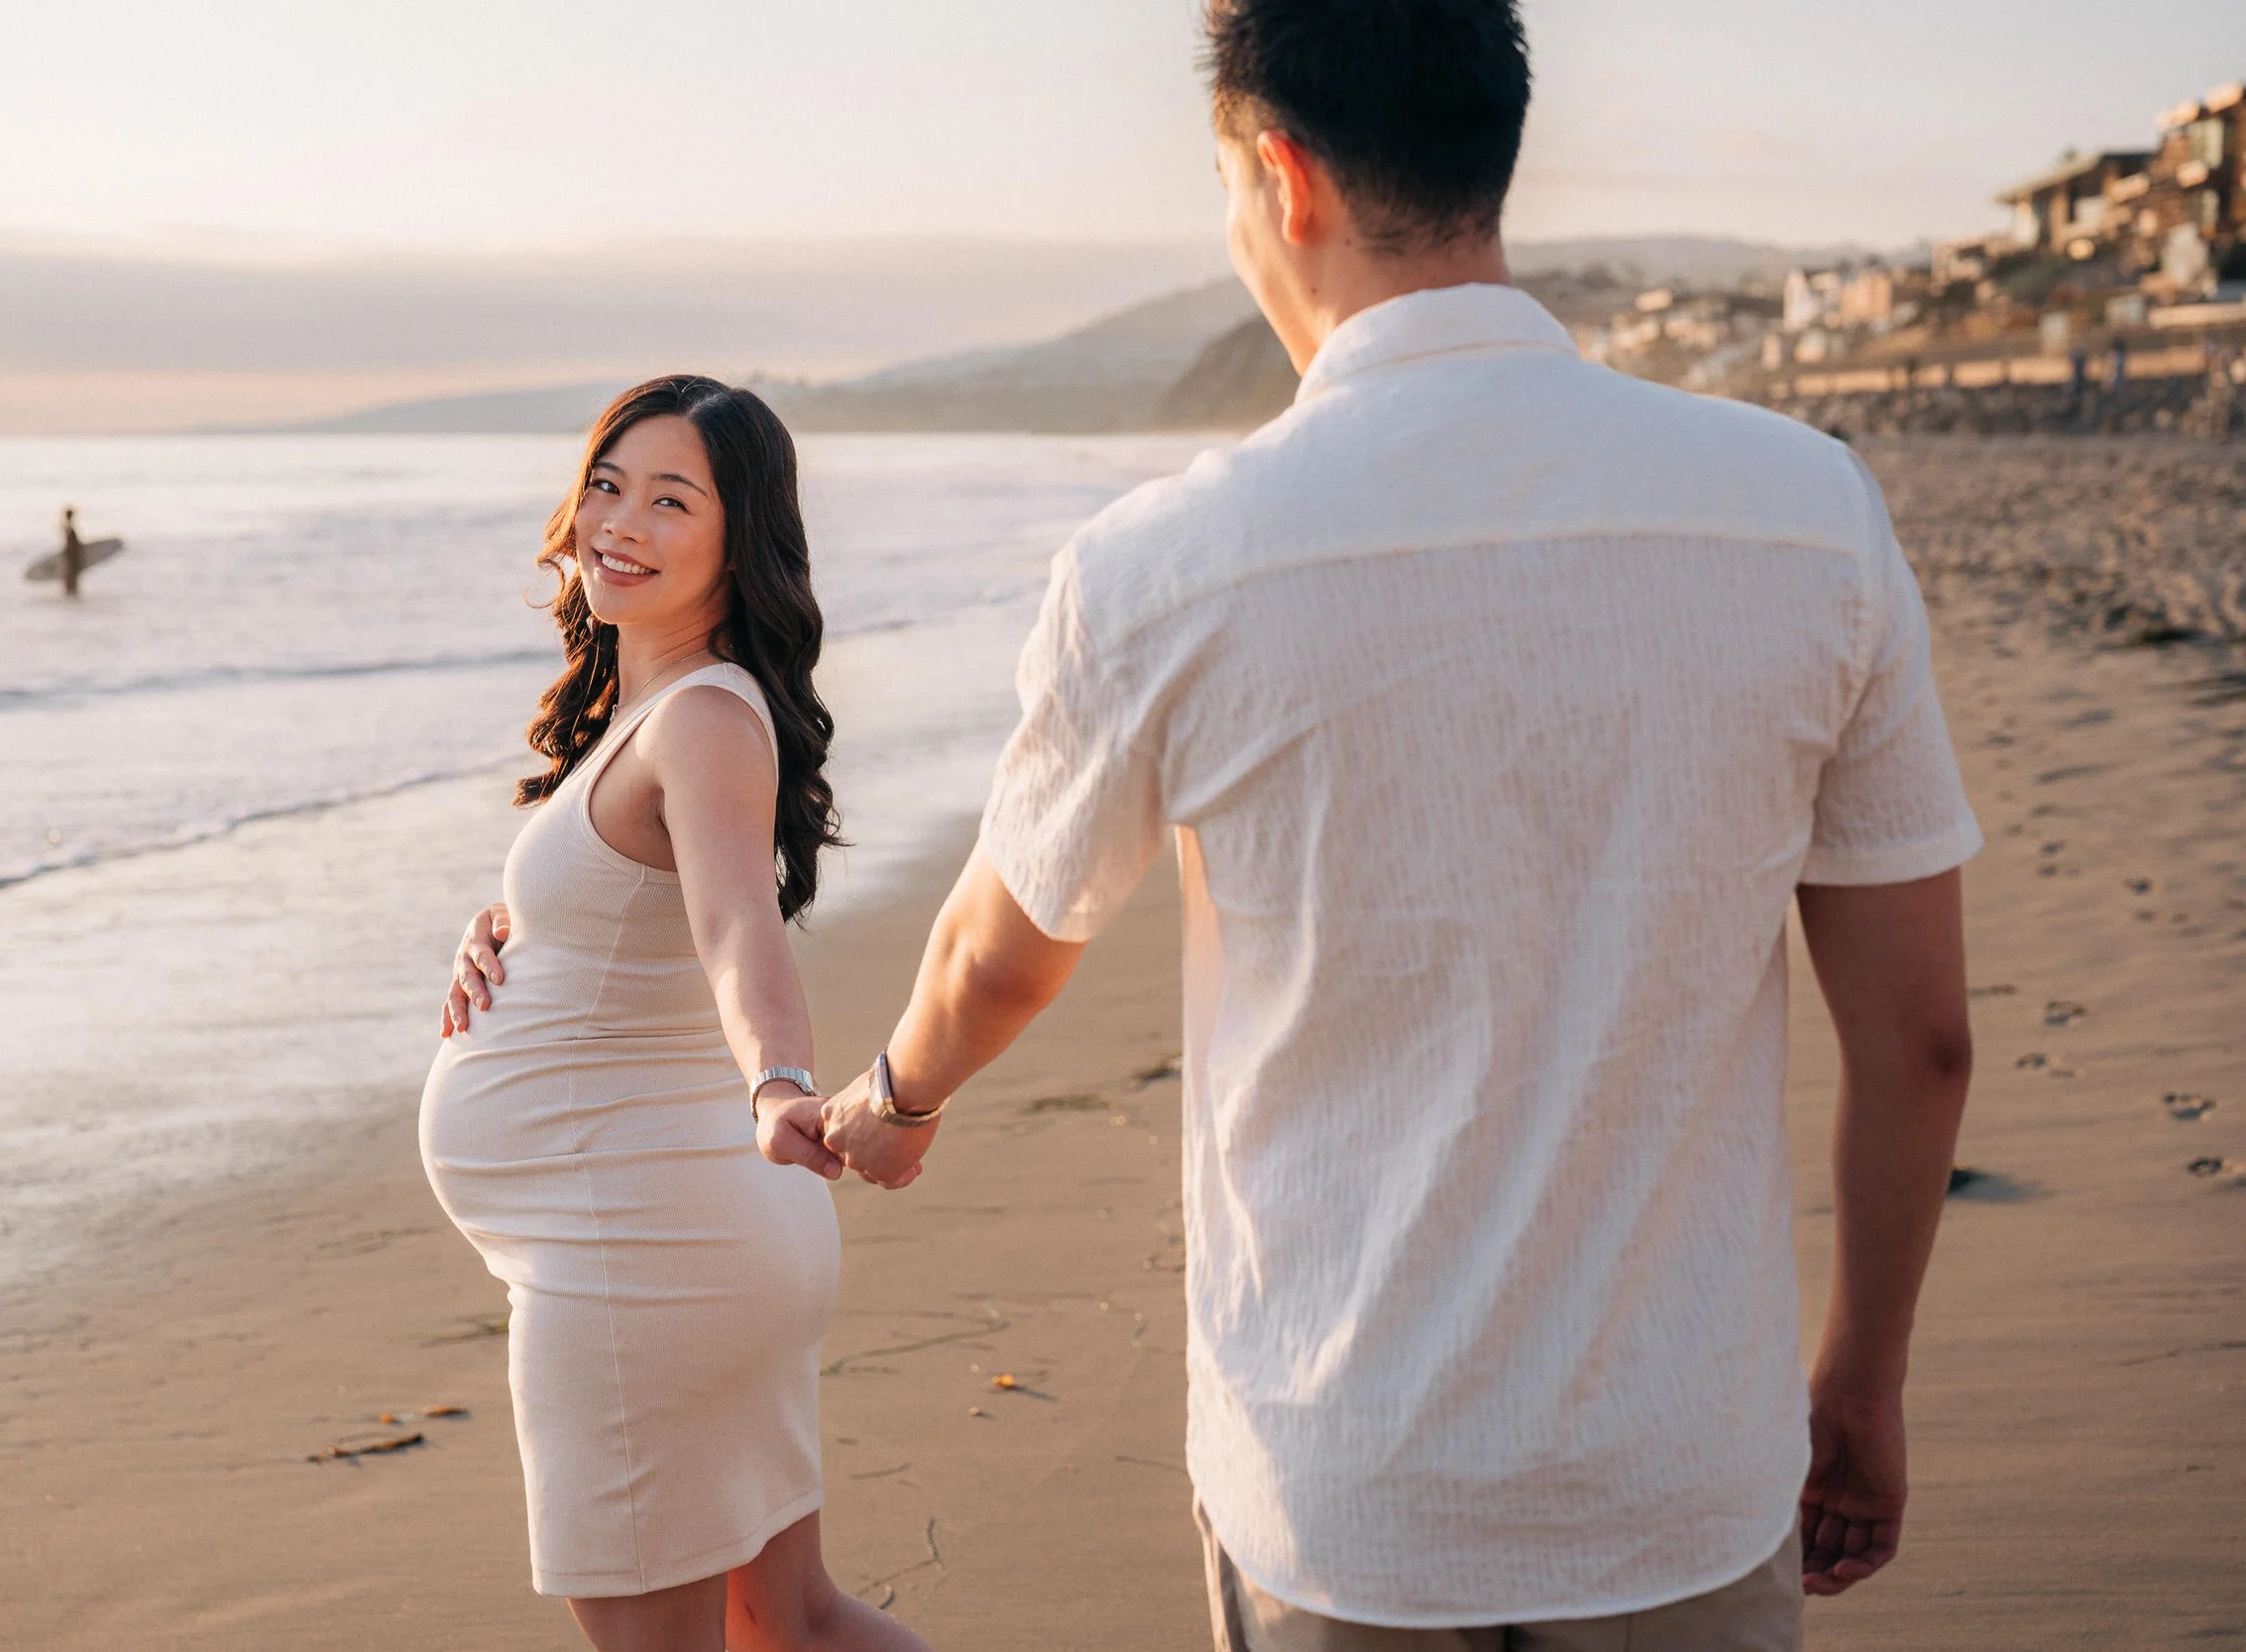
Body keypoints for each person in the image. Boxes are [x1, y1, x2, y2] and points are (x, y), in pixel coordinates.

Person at [800, 2, 1982, 1647]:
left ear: (1281, 177)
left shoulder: (1166, 566)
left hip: (1343, 1486)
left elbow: (1000, 948)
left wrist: (898, 1097)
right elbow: (1920, 1038)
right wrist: (1860, 1376)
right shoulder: (1805, 511)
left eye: (1226, 188)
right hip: (1681, 1470)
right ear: (1488, 155)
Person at [420, 376, 926, 1652]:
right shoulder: (655, 709)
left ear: (734, 537)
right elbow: (643, 916)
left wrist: (777, 1081)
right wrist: (512, 927)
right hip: (690, 1238)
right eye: (606, 484)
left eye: (669, 499)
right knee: (792, 1625)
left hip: (640, 1258)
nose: (619, 522)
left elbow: (733, 931)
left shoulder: (701, 715)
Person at [58, 505, 84, 598]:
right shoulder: (69, 528)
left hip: (70, 555)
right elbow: (71, 543)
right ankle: (71, 595)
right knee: (71, 575)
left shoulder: (67, 527)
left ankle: (70, 596)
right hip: (72, 555)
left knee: (70, 575)